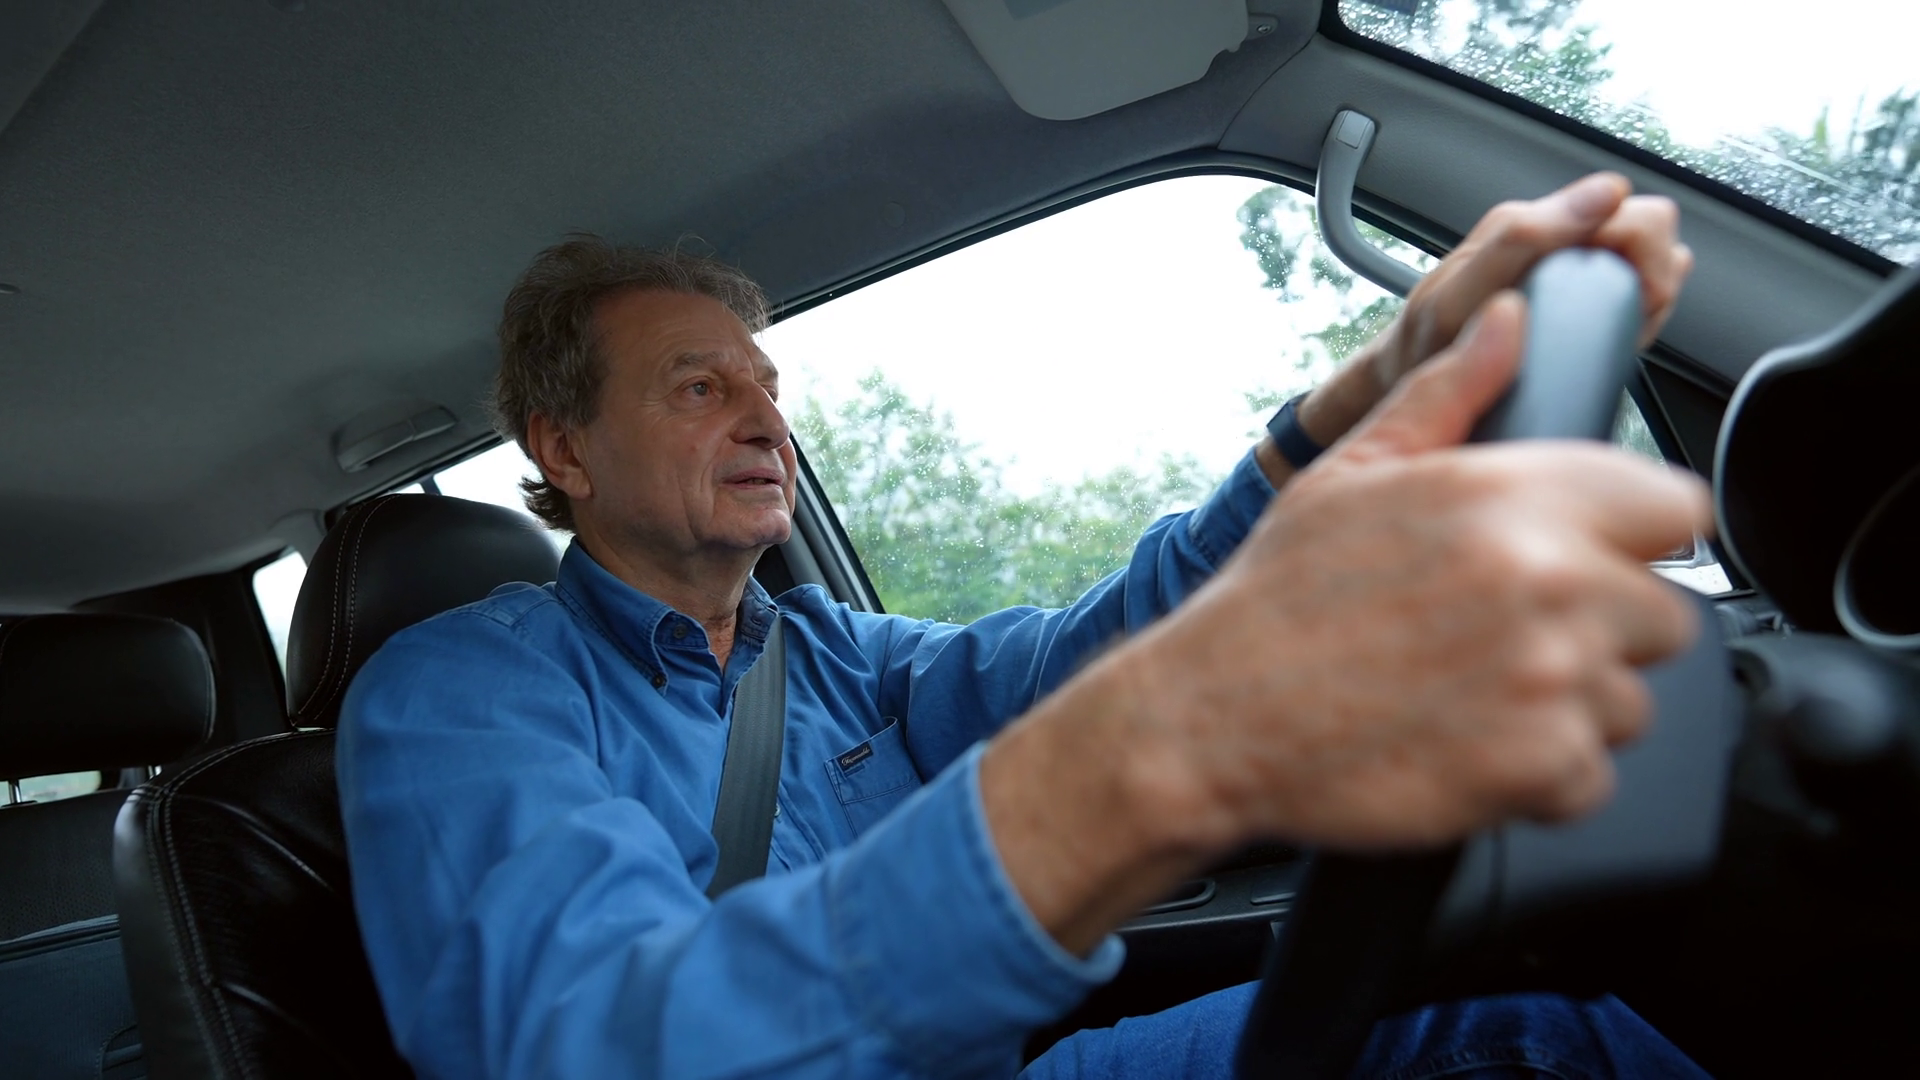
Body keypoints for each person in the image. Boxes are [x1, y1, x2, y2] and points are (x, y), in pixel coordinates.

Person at [338, 171, 1713, 1079]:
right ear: (563, 447)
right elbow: (584, 1047)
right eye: (701, 389)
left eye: (767, 389)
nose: (765, 421)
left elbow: (1081, 654)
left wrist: (1330, 429)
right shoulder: (460, 694)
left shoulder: (834, 654)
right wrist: (1155, 751)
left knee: (1522, 1031)